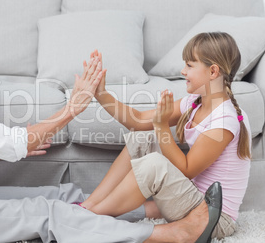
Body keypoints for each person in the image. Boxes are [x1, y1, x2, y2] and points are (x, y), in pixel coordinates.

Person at [0, 0, 221, 243]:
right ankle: (171, 235)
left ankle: (154, 211)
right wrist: (71, 109)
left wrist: (16, 142)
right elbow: (10, 145)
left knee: (60, 195)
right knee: (46, 213)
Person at [79, 32, 251, 240]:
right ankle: (88, 206)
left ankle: (88, 218)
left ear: (213, 71)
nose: (183, 71)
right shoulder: (195, 102)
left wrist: (161, 126)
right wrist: (101, 94)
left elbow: (186, 170)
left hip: (212, 219)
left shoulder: (223, 121)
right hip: (191, 199)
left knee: (153, 164)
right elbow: (140, 120)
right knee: (142, 138)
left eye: (189, 65)